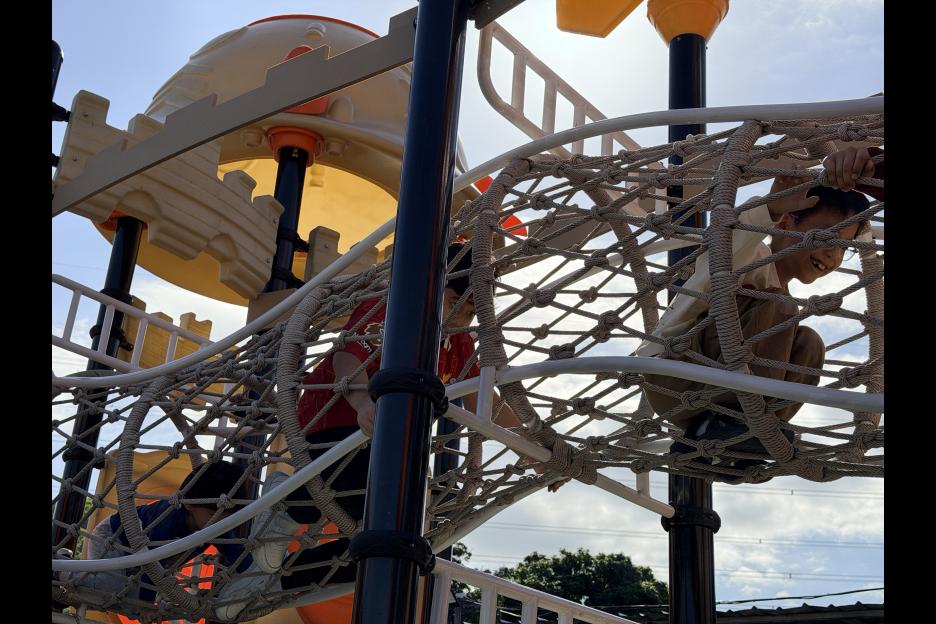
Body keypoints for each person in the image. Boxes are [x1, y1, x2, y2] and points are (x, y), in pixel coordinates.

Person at [217, 242, 539, 621]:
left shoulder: (460, 341)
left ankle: (281, 580)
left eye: (472, 311)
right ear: (437, 288)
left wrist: (529, 446)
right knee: (367, 464)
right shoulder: (396, 305)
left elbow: (485, 402)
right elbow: (347, 357)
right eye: (458, 303)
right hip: (334, 418)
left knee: (396, 537)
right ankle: (286, 505)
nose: (464, 316)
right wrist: (362, 403)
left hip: (391, 436)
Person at [638, 149, 877, 481]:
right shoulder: (750, 257)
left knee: (810, 343)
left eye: (843, 247)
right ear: (786, 223)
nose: (832, 254)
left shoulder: (780, 303)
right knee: (778, 307)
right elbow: (731, 241)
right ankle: (733, 424)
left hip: (710, 395)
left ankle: (749, 433)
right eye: (826, 237)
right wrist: (771, 208)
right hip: (673, 374)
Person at [61, 461, 252, 616]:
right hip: (114, 537)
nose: (220, 521)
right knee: (111, 585)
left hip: (139, 560)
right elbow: (152, 561)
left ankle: (73, 593)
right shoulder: (169, 518)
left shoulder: (217, 527)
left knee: (130, 603)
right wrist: (147, 603)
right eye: (213, 513)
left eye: (228, 517)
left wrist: (261, 574)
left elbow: (239, 556)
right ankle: (61, 570)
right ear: (190, 504)